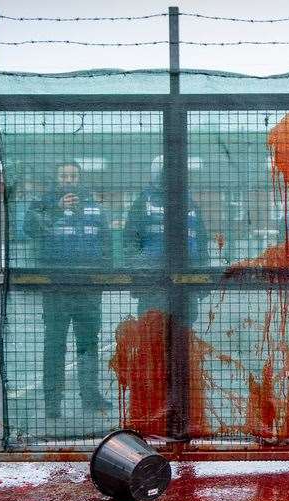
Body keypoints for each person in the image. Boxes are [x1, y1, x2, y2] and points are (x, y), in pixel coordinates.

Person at [25, 160, 112, 420]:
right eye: (64, 175)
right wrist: (56, 208)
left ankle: (90, 396)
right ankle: (53, 401)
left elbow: (106, 243)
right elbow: (28, 228)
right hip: (55, 289)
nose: (69, 180)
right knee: (55, 345)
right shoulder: (42, 204)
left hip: (88, 289)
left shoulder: (94, 207)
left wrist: (105, 277)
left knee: (88, 344)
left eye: (73, 175)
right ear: (57, 178)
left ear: (79, 178)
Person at [123, 155, 209, 319]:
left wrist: (203, 281)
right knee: (152, 332)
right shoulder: (143, 202)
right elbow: (130, 239)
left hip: (186, 279)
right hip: (152, 281)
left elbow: (201, 242)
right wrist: (136, 276)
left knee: (183, 333)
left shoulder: (190, 203)